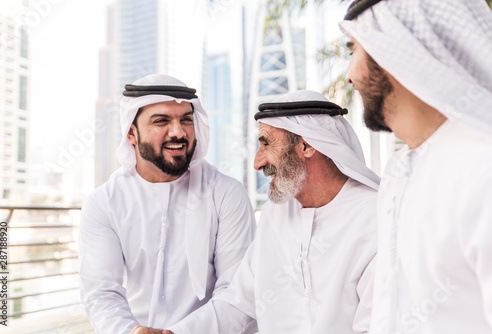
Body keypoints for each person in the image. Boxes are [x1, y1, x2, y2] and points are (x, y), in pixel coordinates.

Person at [133, 90, 381, 334]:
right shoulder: (277, 213)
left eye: (266, 144)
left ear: (306, 145)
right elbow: (240, 303)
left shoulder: (377, 219)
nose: (257, 162)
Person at [340, 0, 492, 332]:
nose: (349, 75)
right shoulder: (398, 174)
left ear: (390, 50)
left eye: (354, 50)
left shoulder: (483, 169)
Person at [78, 74, 256, 334]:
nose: (179, 132)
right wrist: (128, 332)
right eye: (162, 121)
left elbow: (238, 291)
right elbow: (101, 292)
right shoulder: (104, 203)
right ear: (131, 133)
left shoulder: (227, 194)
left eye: (186, 119)